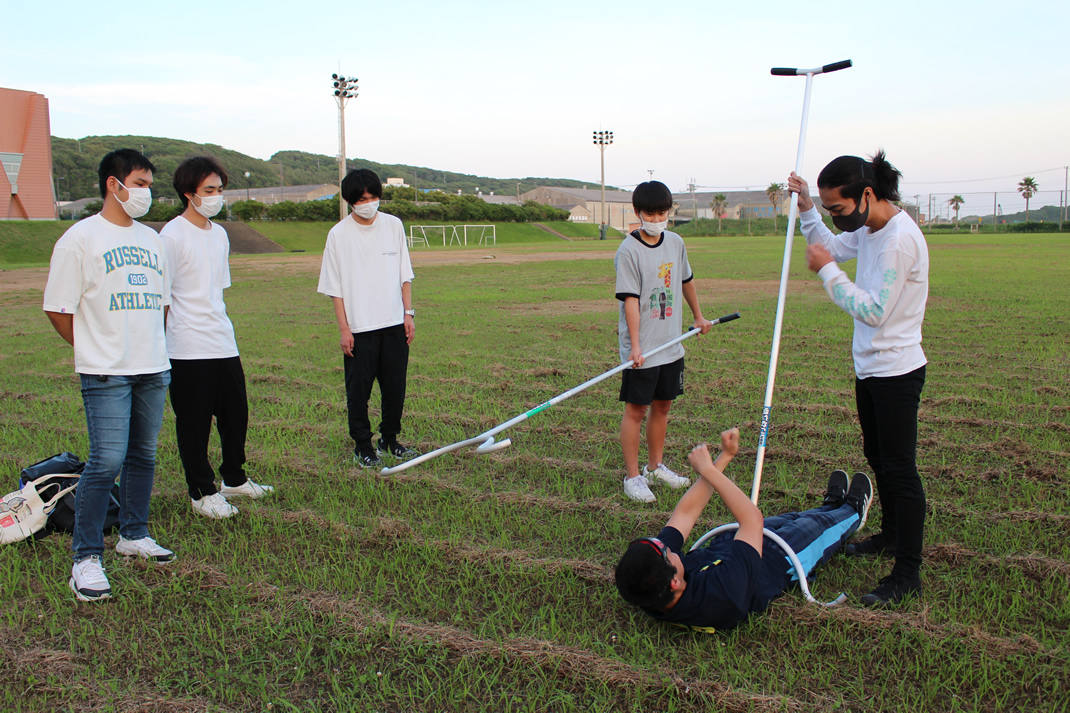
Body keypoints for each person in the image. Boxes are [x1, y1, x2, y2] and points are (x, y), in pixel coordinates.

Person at [787, 150, 929, 608]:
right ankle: (889, 536)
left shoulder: (898, 240)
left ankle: (907, 571)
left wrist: (827, 272)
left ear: (867, 194)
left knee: (900, 469)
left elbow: (872, 309)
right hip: (869, 369)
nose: (836, 217)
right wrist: (809, 208)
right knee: (878, 456)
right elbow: (831, 244)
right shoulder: (869, 228)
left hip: (897, 372)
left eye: (839, 208)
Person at [43, 148, 175, 602]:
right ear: (113, 185)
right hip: (106, 372)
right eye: (139, 183)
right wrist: (92, 348)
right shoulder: (80, 239)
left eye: (148, 183)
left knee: (144, 456)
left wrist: (152, 347)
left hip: (153, 368)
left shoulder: (152, 239)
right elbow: (57, 308)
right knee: (106, 461)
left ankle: (134, 535)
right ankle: (85, 558)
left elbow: (161, 303)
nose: (146, 192)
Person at [614, 428, 873, 632]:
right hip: (778, 559)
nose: (667, 545)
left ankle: (831, 506)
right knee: (818, 530)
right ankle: (850, 512)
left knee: (797, 518)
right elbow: (751, 520)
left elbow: (685, 513)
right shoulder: (721, 596)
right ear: (675, 582)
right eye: (666, 552)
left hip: (730, 543)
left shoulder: (652, 584)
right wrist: (706, 471)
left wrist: (722, 457)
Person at [160, 156, 274, 520]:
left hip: (222, 339)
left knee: (235, 415)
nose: (216, 197)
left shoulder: (220, 234)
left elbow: (214, 290)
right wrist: (163, 348)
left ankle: (234, 479)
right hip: (186, 345)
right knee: (193, 423)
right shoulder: (171, 235)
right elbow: (162, 299)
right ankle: (201, 491)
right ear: (188, 193)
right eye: (209, 190)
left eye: (220, 190)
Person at [614, 181, 713, 502]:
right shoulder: (628, 250)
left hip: (672, 343)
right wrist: (636, 347)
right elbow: (630, 300)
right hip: (643, 350)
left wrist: (698, 316)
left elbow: (686, 280)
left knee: (663, 406)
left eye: (662, 213)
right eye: (650, 213)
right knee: (636, 411)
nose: (656, 219)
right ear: (637, 213)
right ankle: (633, 478)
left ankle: (655, 467)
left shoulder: (676, 242)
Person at [317, 168, 418, 468]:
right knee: (358, 393)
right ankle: (363, 445)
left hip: (394, 325)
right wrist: (344, 329)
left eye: (374, 197)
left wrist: (408, 314)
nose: (369, 203)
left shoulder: (393, 225)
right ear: (350, 201)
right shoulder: (338, 235)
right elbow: (335, 287)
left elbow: (405, 274)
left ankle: (390, 439)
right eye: (362, 199)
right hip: (360, 329)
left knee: (395, 388)